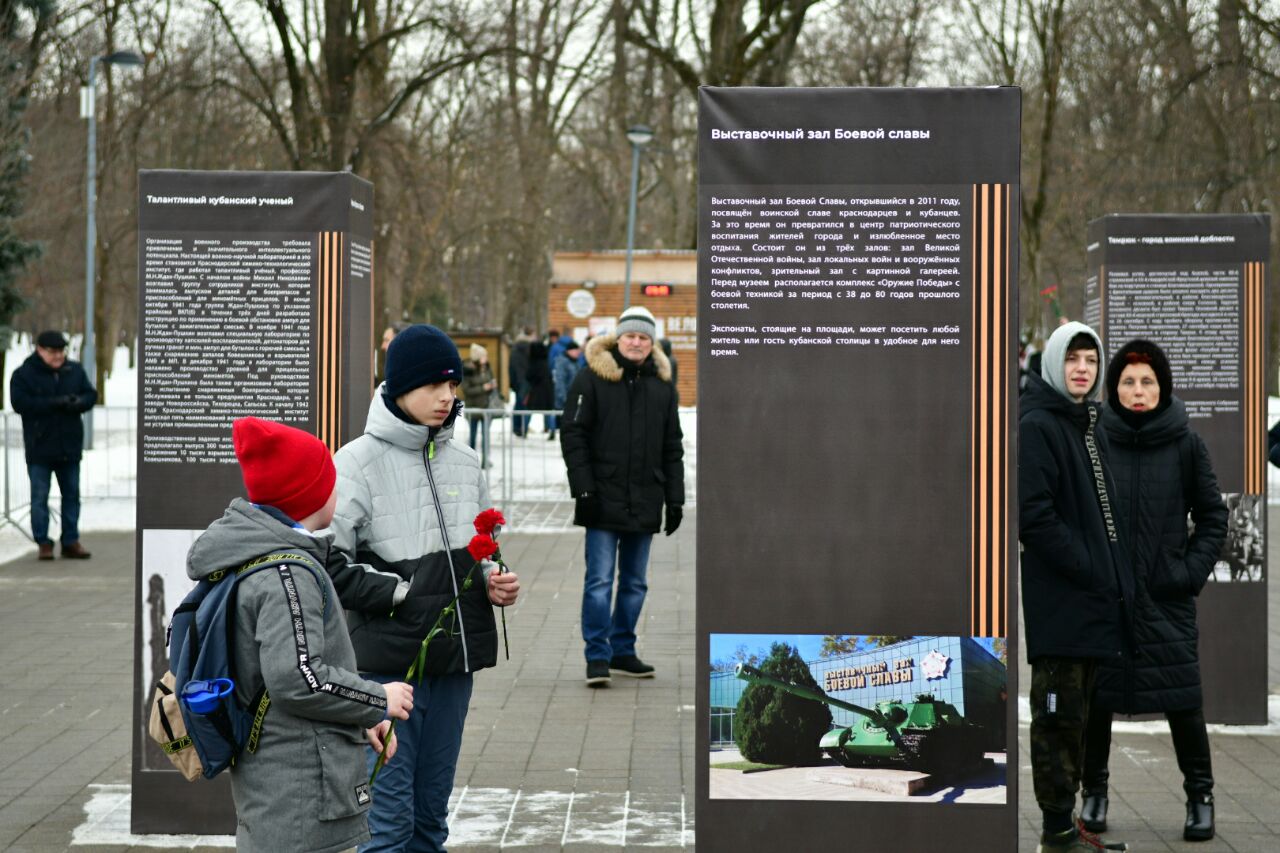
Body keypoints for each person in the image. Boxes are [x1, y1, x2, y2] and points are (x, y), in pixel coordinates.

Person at [326, 324, 520, 852]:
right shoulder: (355, 463)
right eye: (435, 385)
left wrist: (494, 581)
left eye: (453, 385)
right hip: (388, 674)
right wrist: (400, 593)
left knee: (431, 822)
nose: (447, 397)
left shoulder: (466, 461)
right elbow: (327, 564)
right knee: (388, 827)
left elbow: (486, 544)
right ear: (399, 387)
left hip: (454, 669)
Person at [186, 416, 414, 852]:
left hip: (286, 781)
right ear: (311, 494)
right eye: (330, 480)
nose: (336, 490)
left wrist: (362, 718)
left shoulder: (265, 557)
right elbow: (299, 679)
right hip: (300, 792)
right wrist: (377, 699)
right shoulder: (287, 572)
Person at [1081, 339, 1227, 842]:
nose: (1137, 391)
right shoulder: (1092, 439)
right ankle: (1093, 793)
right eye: (1127, 381)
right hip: (1107, 596)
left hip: (1165, 597)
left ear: (1162, 388)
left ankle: (1200, 797)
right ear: (1113, 387)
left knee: (1183, 700)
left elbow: (1213, 517)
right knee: (1096, 700)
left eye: (1147, 382)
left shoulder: (1186, 443)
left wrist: (1187, 573)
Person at [1019, 320, 1133, 853]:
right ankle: (1056, 831)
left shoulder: (1088, 421)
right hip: (1062, 604)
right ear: (1054, 364)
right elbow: (1035, 518)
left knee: (1080, 720)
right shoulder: (1041, 424)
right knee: (1058, 720)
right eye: (1072, 359)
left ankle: (1066, 827)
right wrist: (1091, 565)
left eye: (1090, 360)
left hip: (1090, 603)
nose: (1083, 369)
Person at [560, 306, 684, 687]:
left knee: (635, 583)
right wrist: (583, 487)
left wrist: (674, 499)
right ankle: (597, 656)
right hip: (601, 498)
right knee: (599, 581)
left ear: (652, 344)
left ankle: (622, 649)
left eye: (644, 337)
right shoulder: (592, 378)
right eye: (630, 336)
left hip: (645, 499)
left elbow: (672, 446)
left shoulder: (662, 388)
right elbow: (573, 434)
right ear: (618, 339)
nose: (636, 342)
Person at [9, 330, 97, 560]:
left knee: (72, 496)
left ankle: (70, 540)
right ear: (39, 350)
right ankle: (43, 542)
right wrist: (55, 403)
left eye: (61, 351)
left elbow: (90, 395)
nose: (58, 356)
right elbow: (20, 403)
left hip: (69, 446)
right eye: (53, 352)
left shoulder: (74, 370)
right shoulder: (24, 374)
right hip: (40, 447)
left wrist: (78, 402)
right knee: (39, 498)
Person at [461, 343, 498, 468]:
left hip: (486, 407)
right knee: (472, 435)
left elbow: (491, 380)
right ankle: (471, 461)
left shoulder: (487, 368)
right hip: (473, 408)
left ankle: (485, 460)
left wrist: (492, 385)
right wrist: (483, 388)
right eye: (483, 356)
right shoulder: (468, 370)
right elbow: (466, 390)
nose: (486, 358)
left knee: (485, 436)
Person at [525, 340, 555, 439]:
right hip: (548, 391)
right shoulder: (545, 362)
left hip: (536, 391)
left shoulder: (534, 363)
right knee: (548, 412)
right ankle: (551, 430)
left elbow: (529, 376)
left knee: (528, 411)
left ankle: (524, 429)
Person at [509, 326, 534, 437]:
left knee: (518, 404)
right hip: (528, 380)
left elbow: (511, 367)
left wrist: (513, 382)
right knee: (527, 405)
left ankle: (516, 427)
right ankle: (524, 428)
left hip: (517, 381)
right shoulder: (531, 349)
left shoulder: (514, 349)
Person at [551, 338, 582, 417]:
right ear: (569, 351)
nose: (578, 352)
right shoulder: (562, 362)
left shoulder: (576, 362)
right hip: (564, 403)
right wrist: (565, 400)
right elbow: (560, 382)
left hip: (574, 400)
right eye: (576, 350)